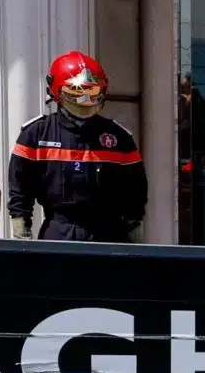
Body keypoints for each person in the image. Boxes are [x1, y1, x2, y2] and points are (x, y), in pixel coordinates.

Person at [9, 51, 145, 242]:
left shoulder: (118, 138)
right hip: (58, 233)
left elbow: (135, 190)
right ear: (56, 91)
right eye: (76, 92)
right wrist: (21, 233)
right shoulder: (36, 135)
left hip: (109, 234)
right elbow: (20, 188)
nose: (84, 100)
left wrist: (135, 233)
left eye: (92, 93)